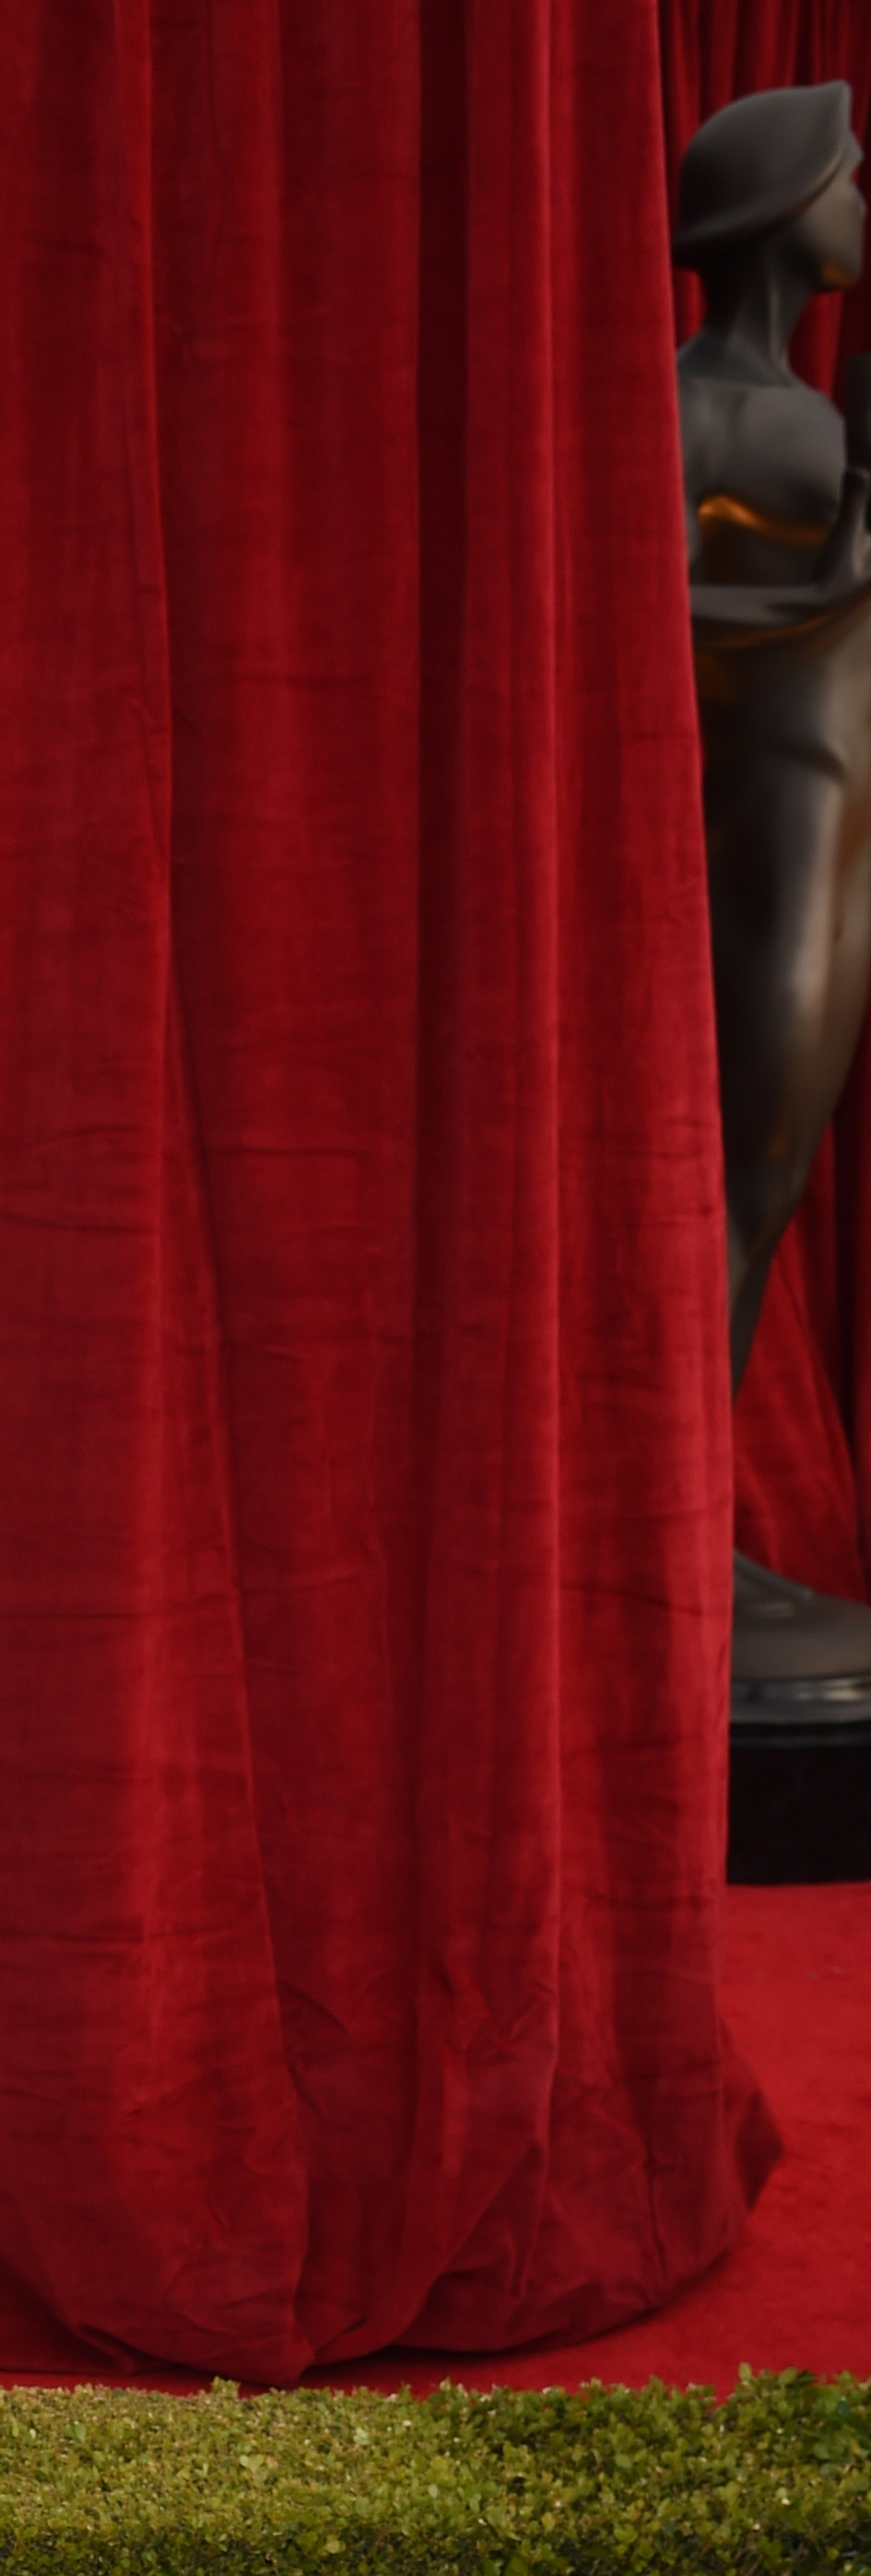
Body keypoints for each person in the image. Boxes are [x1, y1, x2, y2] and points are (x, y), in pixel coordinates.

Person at [675, 80, 871, 1697]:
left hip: (826, 808)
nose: (856, 202)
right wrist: (833, 589)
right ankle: (685, 1526)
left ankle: (701, 1510)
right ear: (784, 207)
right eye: (841, 176)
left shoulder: (800, 418)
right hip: (775, 815)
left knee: (774, 1170)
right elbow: (668, 610)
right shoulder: (738, 418)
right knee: (748, 1168)